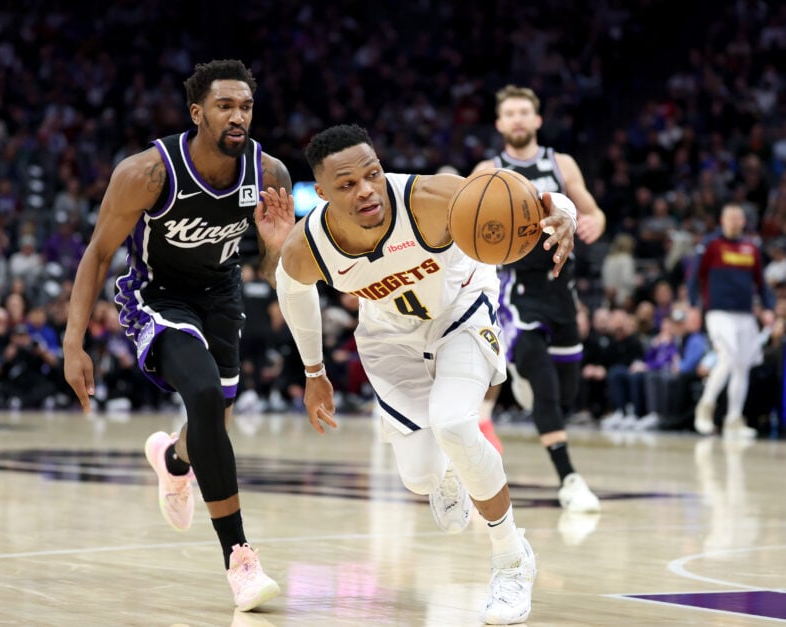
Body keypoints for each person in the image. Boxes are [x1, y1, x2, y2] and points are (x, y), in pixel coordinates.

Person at [273, 124, 577, 625]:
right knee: (418, 478)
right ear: (322, 193)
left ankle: (511, 559)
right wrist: (313, 371)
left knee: (454, 423)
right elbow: (292, 290)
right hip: (389, 337)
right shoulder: (309, 246)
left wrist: (564, 213)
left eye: (372, 174)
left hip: (461, 309)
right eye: (347, 184)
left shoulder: (431, 199)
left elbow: (530, 198)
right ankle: (449, 469)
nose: (366, 189)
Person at [63, 60, 295, 612]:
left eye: (245, 107)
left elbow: (272, 270)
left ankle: (173, 461)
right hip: (157, 297)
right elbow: (98, 253)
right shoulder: (147, 172)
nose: (238, 117)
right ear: (197, 112)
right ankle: (240, 560)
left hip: (222, 297)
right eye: (224, 106)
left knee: (213, 421)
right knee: (207, 396)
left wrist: (275, 247)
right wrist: (73, 343)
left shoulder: (269, 174)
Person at [473, 85, 604, 513]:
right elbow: (464, 226)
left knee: (563, 395)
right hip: (515, 292)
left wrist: (594, 222)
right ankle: (570, 479)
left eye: (523, 112)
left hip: (561, 290)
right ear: (499, 124)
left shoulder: (560, 163)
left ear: (537, 120)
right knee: (545, 387)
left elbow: (593, 211)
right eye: (509, 113)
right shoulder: (488, 171)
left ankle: (524, 383)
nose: (517, 119)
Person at [689, 203, 775, 438]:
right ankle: (705, 407)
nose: (735, 222)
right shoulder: (711, 244)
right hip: (718, 312)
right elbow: (695, 277)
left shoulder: (751, 247)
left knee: (742, 366)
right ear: (722, 220)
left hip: (745, 314)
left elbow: (761, 282)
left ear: (744, 221)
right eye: (731, 217)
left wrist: (768, 308)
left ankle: (734, 419)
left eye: (739, 218)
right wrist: (693, 305)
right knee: (728, 358)